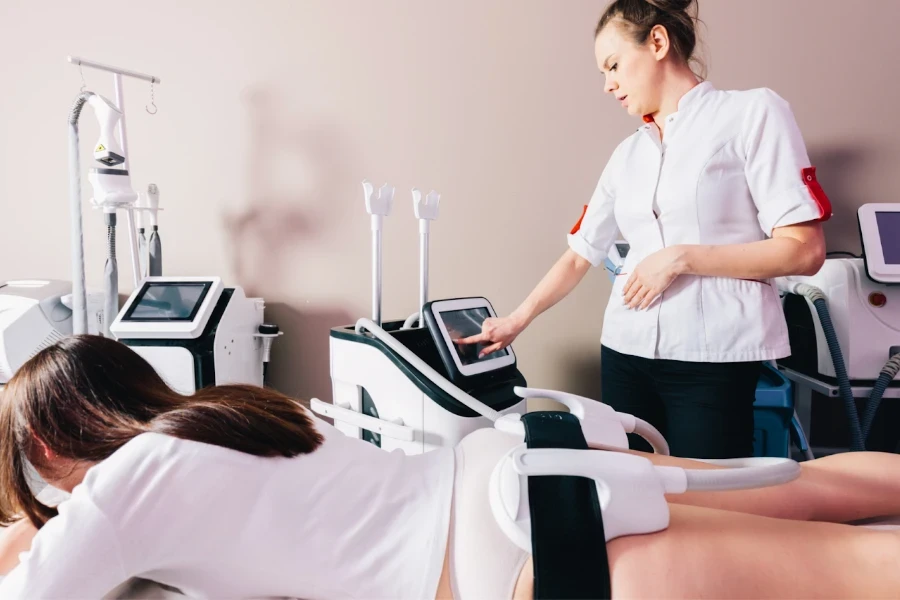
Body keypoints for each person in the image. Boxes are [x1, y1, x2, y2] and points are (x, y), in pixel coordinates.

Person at [0, 335, 900, 600]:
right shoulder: (230, 414)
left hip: (503, 550)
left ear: (41, 448)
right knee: (809, 488)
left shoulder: (122, 489)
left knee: (857, 574)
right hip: (507, 467)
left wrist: (26, 540)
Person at [457, 0, 831, 460]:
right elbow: (580, 253)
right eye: (602, 73)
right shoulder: (627, 155)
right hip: (625, 352)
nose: (608, 84)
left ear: (657, 42)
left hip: (712, 358)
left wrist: (679, 258)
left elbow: (803, 250)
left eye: (614, 65)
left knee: (707, 503)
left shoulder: (752, 114)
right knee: (631, 493)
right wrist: (517, 320)